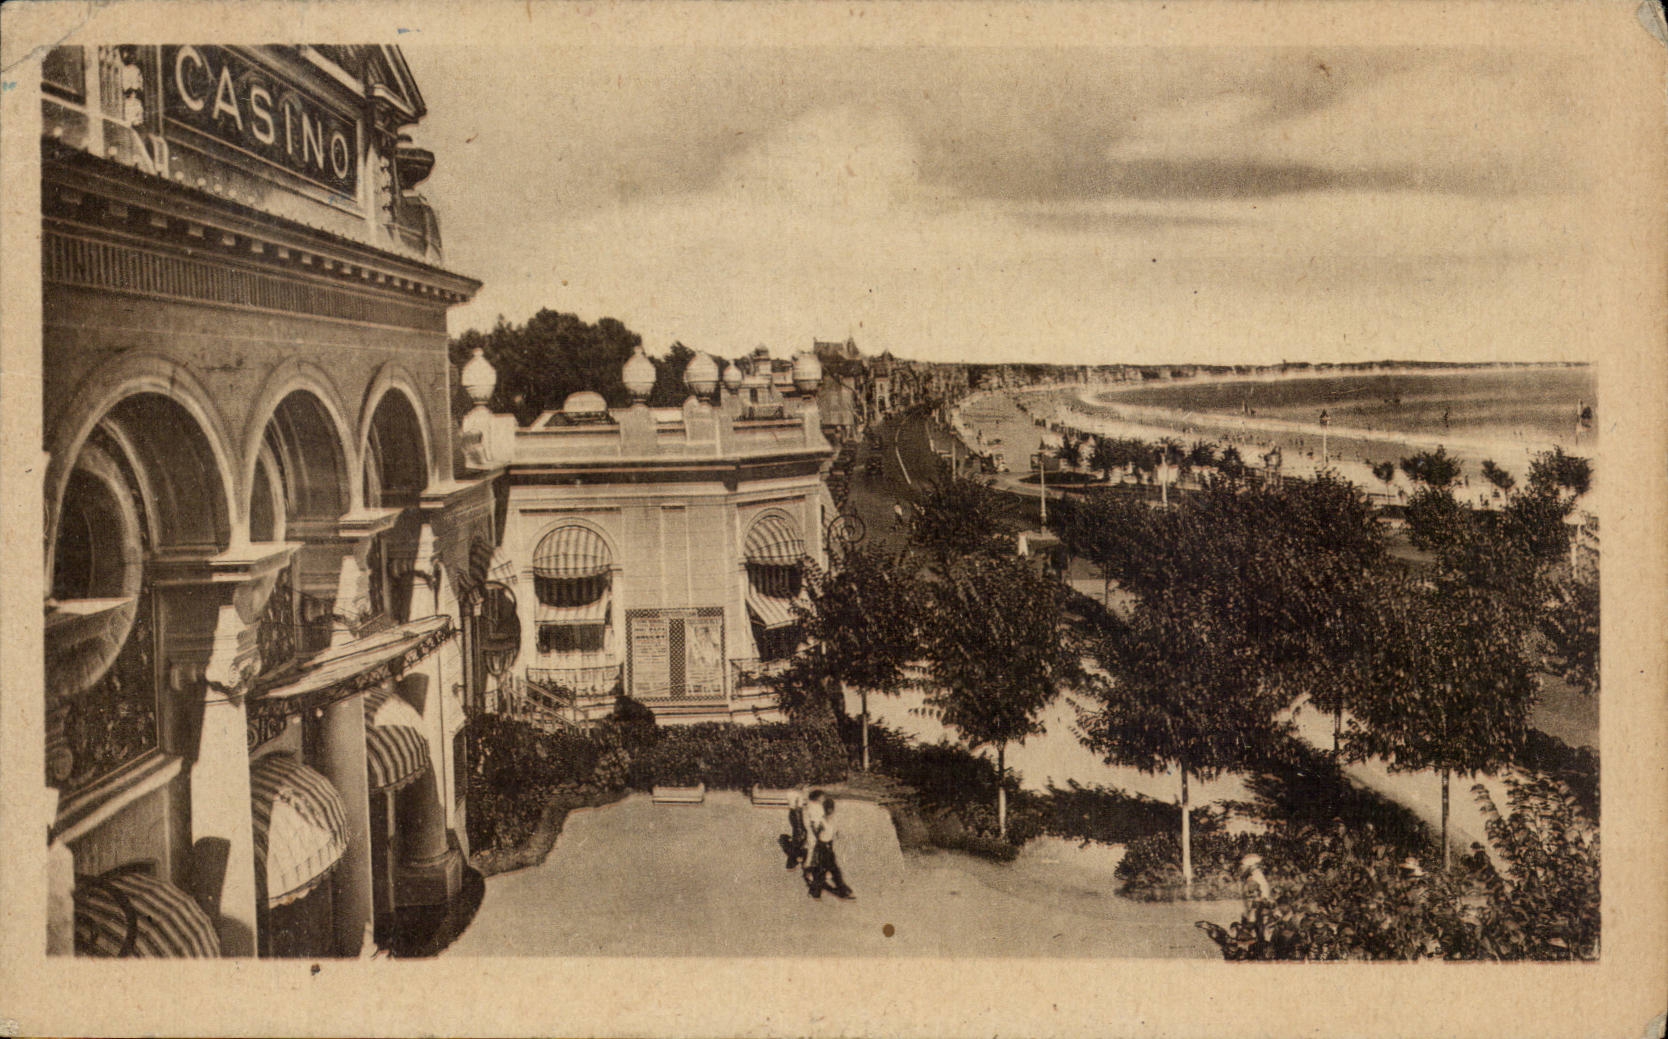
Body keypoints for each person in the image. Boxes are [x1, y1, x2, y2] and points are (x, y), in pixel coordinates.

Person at [805, 793, 855, 900]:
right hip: (823, 846)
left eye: (831, 810)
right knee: (831, 870)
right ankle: (841, 890)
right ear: (825, 809)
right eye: (828, 810)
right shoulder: (822, 821)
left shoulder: (831, 820)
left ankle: (815, 891)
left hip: (828, 845)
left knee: (825, 870)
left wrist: (836, 834)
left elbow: (835, 832)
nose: (830, 812)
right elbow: (816, 832)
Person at [780, 789, 810, 869]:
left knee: (798, 820)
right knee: (798, 820)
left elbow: (782, 840)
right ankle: (796, 801)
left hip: (800, 836)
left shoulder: (792, 854)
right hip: (800, 836)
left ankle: (797, 801)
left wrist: (786, 838)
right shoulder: (791, 854)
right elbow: (782, 840)